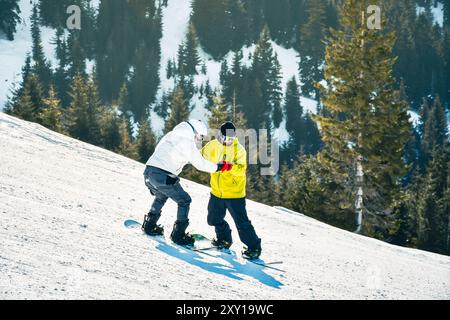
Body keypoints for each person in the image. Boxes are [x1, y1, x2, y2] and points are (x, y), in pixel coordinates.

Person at [142, 120, 233, 246]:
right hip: (163, 175)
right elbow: (200, 164)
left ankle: (149, 224)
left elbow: (170, 154)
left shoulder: (171, 135)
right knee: (184, 200)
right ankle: (178, 235)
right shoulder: (187, 142)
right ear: (196, 132)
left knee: (161, 196)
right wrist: (219, 167)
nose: (199, 140)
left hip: (148, 172)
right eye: (200, 137)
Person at [201, 122, 262, 259]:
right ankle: (224, 239)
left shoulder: (238, 150)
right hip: (217, 191)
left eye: (230, 138)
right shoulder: (212, 145)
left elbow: (241, 170)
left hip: (234, 194)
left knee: (241, 223)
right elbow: (200, 157)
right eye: (225, 137)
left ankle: (254, 247)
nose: (227, 141)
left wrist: (230, 167)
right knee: (213, 219)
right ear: (220, 135)